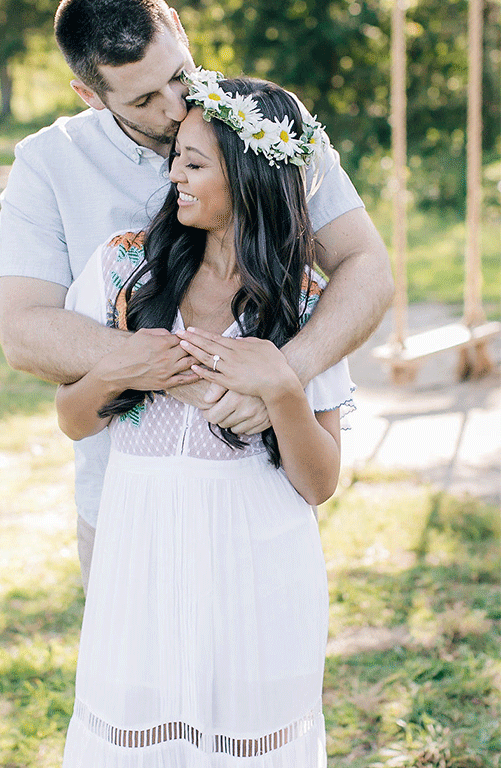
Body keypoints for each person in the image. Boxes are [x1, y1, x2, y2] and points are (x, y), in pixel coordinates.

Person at [0, 0, 392, 592]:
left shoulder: (263, 127)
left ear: (177, 26)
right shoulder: (49, 163)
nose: (175, 108)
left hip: (258, 500)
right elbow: (22, 331)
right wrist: (153, 363)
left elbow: (366, 267)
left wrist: (281, 373)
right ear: (90, 95)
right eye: (143, 99)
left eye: (178, 75)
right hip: (125, 504)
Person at [55, 72, 355, 765]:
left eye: (193, 162)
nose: (174, 174)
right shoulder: (127, 268)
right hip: (141, 562)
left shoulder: (305, 299)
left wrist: (280, 386)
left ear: (249, 176)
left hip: (258, 570)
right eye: (175, 157)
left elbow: (320, 482)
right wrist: (122, 368)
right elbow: (72, 419)